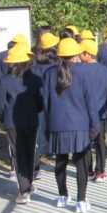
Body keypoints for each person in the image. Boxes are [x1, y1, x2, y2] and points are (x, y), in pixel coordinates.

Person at [42, 38, 99, 213]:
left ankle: (62, 195)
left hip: (57, 124)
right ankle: (81, 201)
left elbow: (45, 102)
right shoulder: (83, 73)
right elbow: (91, 103)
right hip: (79, 124)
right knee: (81, 163)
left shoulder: (49, 73)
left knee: (61, 161)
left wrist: (46, 126)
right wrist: (94, 125)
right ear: (76, 55)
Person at [0, 43, 43, 204]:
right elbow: (41, 102)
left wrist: (3, 118)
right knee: (30, 152)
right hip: (31, 121)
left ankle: (24, 190)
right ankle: (28, 184)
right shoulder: (35, 80)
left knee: (17, 155)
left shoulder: (5, 80)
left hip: (12, 123)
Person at [77, 39, 107, 183]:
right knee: (100, 142)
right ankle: (101, 171)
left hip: (83, 112)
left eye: (80, 53)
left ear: (87, 54)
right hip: (100, 112)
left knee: (86, 141)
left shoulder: (79, 70)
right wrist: (104, 99)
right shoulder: (105, 70)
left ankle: (89, 170)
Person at [31, 32, 60, 178]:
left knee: (40, 125)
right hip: (54, 97)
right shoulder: (56, 62)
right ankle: (54, 150)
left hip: (38, 98)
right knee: (53, 122)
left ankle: (40, 151)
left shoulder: (33, 61)